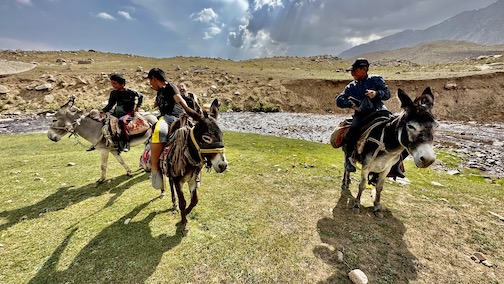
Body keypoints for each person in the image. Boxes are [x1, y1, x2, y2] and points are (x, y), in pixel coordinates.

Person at [336, 58, 404, 177]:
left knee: (397, 130)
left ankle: (397, 164)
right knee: (353, 131)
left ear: (364, 69)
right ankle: (349, 160)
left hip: (380, 112)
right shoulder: (351, 87)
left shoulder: (376, 80)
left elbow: (387, 94)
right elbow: (339, 100)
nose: (352, 73)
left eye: (354, 70)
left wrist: (376, 94)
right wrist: (352, 104)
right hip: (362, 115)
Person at [147, 68, 201, 189]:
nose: (150, 84)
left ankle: (155, 168)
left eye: (150, 81)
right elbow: (159, 104)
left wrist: (191, 113)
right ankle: (156, 168)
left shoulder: (170, 86)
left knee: (160, 131)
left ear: (154, 79)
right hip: (164, 117)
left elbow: (180, 101)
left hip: (173, 117)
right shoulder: (159, 92)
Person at [88, 74, 143, 152]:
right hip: (117, 112)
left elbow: (141, 96)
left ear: (122, 84)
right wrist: (103, 111)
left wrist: (138, 106)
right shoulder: (113, 93)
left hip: (128, 113)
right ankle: (97, 142)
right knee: (103, 122)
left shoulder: (131, 92)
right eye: (112, 83)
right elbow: (110, 104)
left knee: (122, 121)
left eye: (115, 83)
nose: (113, 85)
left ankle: (126, 143)